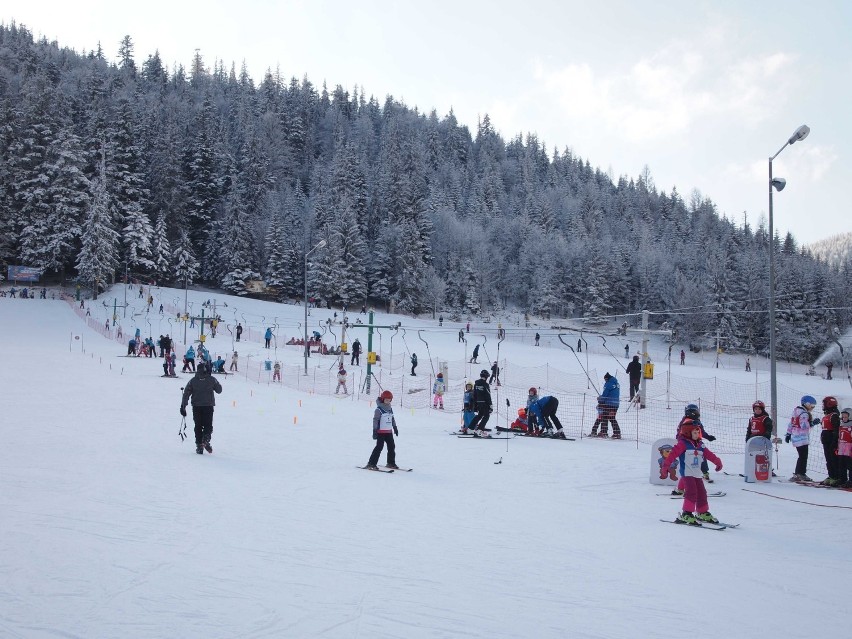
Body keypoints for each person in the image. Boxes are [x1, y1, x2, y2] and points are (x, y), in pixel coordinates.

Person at [660, 420, 724, 525]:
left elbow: (709, 454)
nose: (697, 434)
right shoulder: (683, 444)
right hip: (687, 474)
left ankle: (702, 512)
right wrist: (666, 466)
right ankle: (686, 513)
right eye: (695, 432)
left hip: (697, 474)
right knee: (691, 492)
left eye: (698, 432)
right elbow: (672, 455)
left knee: (702, 493)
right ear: (687, 432)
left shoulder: (700, 445)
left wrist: (717, 461)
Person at [180, 362, 223, 455]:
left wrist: (183, 406)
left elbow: (186, 394)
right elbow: (219, 390)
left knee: (198, 426)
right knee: (208, 425)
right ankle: (206, 439)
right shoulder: (211, 379)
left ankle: (199, 445)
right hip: (208, 406)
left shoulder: (193, 381)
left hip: (196, 407)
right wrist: (213, 381)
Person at [786, 395, 817, 482]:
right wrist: (812, 423)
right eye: (812, 406)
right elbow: (803, 425)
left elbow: (791, 423)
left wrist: (788, 433)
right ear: (807, 404)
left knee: (801, 456)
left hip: (795, 437)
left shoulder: (796, 411)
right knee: (803, 456)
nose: (812, 408)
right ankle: (800, 473)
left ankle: (798, 473)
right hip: (802, 438)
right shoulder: (804, 413)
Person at [366, 390, 399, 470]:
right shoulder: (379, 409)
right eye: (386, 400)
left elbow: (392, 418)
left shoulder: (390, 409)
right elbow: (375, 420)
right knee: (379, 447)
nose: (388, 402)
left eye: (389, 400)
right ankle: (371, 463)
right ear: (382, 399)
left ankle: (390, 462)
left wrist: (395, 427)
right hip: (380, 432)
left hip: (388, 432)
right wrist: (374, 431)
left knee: (391, 446)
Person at [588, 373, 621, 438]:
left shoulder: (608, 384)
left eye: (605, 380)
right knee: (612, 418)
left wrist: (600, 399)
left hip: (608, 403)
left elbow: (605, 395)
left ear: (606, 379)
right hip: (616, 404)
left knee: (604, 417)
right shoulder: (617, 384)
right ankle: (617, 433)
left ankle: (603, 432)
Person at [819, 396, 841, 486]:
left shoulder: (834, 415)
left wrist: (834, 442)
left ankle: (836, 476)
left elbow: (836, 429)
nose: (823, 406)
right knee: (828, 459)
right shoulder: (827, 415)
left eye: (824, 404)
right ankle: (831, 475)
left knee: (833, 459)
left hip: (831, 441)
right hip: (826, 441)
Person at [468, 370, 493, 436]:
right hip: (485, 402)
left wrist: (475, 404)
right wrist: (490, 405)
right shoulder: (485, 384)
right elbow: (488, 395)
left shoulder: (476, 383)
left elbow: (475, 394)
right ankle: (480, 430)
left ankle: (470, 429)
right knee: (486, 416)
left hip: (478, 402)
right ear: (486, 376)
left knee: (480, 415)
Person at [837, 407, 852, 488]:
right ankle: (842, 479)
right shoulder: (841, 425)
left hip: (849, 449)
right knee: (841, 464)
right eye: (843, 417)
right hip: (841, 448)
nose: (844, 418)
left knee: (850, 465)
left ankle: (851, 480)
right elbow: (839, 437)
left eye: (846, 417)